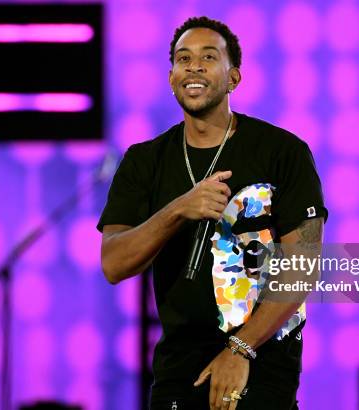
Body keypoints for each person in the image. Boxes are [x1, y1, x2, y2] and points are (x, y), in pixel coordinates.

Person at [98, 16, 327, 410]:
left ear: (233, 77)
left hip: (262, 364)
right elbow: (114, 263)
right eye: (183, 59)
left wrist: (240, 349)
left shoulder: (283, 152)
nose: (194, 66)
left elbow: (303, 266)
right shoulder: (144, 161)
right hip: (177, 371)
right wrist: (177, 210)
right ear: (171, 77)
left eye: (208, 56)